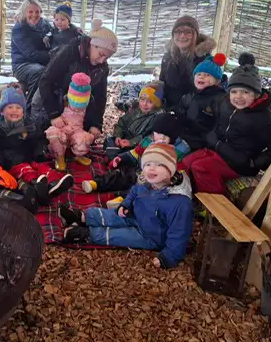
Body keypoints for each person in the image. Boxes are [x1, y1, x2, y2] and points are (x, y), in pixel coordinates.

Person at [58, 143, 193, 269]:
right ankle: (80, 217)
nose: (151, 168)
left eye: (159, 164)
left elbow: (179, 233)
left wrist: (169, 257)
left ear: (171, 169)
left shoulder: (179, 202)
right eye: (148, 164)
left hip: (150, 236)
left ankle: (86, 234)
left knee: (117, 235)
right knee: (110, 214)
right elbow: (134, 192)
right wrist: (125, 204)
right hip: (134, 215)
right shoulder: (149, 183)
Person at [183, 53, 271, 195]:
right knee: (187, 162)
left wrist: (254, 162)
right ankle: (189, 193)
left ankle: (216, 201)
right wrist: (212, 136)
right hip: (218, 150)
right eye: (234, 91)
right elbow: (217, 122)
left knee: (201, 167)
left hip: (239, 163)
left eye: (245, 92)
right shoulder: (226, 105)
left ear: (256, 94)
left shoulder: (263, 118)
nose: (238, 97)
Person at [31, 19, 118, 138]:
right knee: (46, 139)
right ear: (92, 44)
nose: (102, 60)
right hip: (50, 101)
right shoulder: (70, 51)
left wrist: (96, 124)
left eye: (106, 58)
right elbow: (46, 82)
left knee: (81, 141)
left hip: (76, 108)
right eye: (101, 54)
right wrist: (54, 115)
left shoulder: (102, 67)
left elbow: (100, 96)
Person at [0, 86, 74, 203]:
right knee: (26, 171)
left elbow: (38, 138)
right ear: (2, 111)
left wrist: (38, 149)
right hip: (13, 163)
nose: (14, 110)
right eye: (10, 107)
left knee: (40, 167)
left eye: (18, 107)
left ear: (23, 111)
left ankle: (54, 183)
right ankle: (38, 185)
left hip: (29, 158)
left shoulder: (28, 123)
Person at [82, 112, 190, 193]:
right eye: (158, 133)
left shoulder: (178, 151)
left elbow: (179, 174)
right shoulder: (148, 141)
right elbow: (135, 153)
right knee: (121, 175)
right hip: (139, 173)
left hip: (158, 182)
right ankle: (95, 184)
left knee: (141, 191)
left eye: (166, 136)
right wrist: (122, 158)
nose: (160, 138)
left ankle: (122, 201)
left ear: (174, 138)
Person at [159, 15, 217, 108]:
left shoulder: (205, 61)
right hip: (169, 108)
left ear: (195, 35)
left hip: (194, 111)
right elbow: (162, 83)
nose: (182, 36)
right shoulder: (168, 57)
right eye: (178, 31)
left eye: (188, 32)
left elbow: (209, 93)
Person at [175, 53, 227, 151]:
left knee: (178, 155)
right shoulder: (189, 96)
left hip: (203, 141)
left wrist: (209, 139)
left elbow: (221, 124)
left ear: (217, 81)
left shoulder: (219, 99)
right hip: (185, 135)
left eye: (207, 75)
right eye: (198, 74)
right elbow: (180, 113)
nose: (201, 77)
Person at [45, 73, 95, 171]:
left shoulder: (90, 106)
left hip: (77, 130)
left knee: (84, 139)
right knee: (54, 134)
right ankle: (59, 158)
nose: (77, 107)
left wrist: (95, 127)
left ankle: (78, 155)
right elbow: (50, 113)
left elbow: (91, 119)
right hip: (62, 128)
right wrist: (55, 118)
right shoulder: (61, 101)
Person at [103, 81, 165, 161]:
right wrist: (118, 136)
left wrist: (131, 142)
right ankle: (115, 159)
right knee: (109, 140)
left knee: (137, 155)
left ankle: (118, 161)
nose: (144, 104)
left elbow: (150, 136)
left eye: (150, 102)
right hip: (124, 140)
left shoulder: (157, 117)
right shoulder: (135, 109)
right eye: (142, 100)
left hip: (137, 145)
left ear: (157, 104)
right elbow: (122, 123)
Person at [11, 0, 53, 103]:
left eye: (37, 12)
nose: (34, 15)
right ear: (24, 12)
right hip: (22, 65)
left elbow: (57, 30)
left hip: (40, 62)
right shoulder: (19, 28)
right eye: (30, 12)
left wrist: (73, 28)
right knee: (39, 72)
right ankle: (30, 105)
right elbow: (31, 54)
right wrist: (52, 55)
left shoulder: (45, 24)